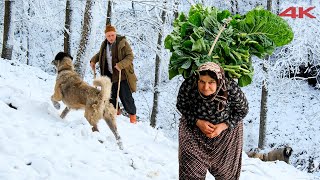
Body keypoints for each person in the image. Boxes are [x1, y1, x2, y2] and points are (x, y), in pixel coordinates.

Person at [176, 62, 249, 179]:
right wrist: (197, 122)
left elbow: (242, 111)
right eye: (202, 82)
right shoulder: (189, 86)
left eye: (211, 82)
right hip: (194, 134)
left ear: (219, 81)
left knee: (226, 175)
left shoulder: (230, 89)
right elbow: (181, 105)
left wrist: (223, 126)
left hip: (225, 136)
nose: (205, 87)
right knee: (190, 173)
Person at [90, 24, 137, 124]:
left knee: (126, 97)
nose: (111, 37)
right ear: (106, 36)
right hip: (109, 75)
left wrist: (121, 64)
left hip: (122, 75)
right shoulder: (104, 45)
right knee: (110, 97)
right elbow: (100, 54)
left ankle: (133, 119)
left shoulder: (123, 43)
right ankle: (117, 116)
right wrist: (93, 60)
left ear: (115, 34)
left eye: (112, 35)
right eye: (108, 36)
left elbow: (130, 56)